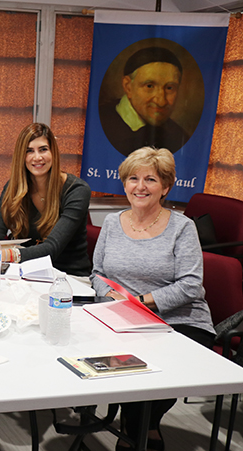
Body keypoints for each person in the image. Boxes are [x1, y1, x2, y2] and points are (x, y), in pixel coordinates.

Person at [90, 147, 215, 451]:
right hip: (124, 318)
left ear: (166, 187)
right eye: (133, 178)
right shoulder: (111, 223)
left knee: (141, 377)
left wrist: (140, 301)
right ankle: (142, 432)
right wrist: (111, 297)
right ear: (124, 183)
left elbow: (191, 285)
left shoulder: (182, 227)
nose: (140, 186)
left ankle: (138, 434)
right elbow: (96, 273)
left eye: (150, 180)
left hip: (180, 321)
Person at [0, 123, 91, 277]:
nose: (37, 157)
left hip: (68, 277)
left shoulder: (77, 190)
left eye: (43, 149)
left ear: (53, 152)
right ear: (21, 156)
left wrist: (4, 254)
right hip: (24, 272)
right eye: (29, 151)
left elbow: (52, 248)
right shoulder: (13, 187)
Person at [99, 47, 190, 156]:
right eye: (149, 86)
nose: (161, 101)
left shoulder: (179, 136)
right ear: (128, 86)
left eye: (169, 88)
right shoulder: (99, 124)